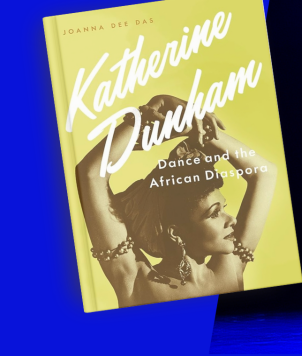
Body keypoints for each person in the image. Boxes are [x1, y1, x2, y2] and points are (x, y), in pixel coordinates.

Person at [76, 95, 277, 307]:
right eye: (214, 213)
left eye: (224, 209)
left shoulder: (232, 263)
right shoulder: (135, 280)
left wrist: (197, 130)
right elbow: (89, 174)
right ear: (175, 232)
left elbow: (265, 173)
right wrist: (148, 112)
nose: (232, 221)